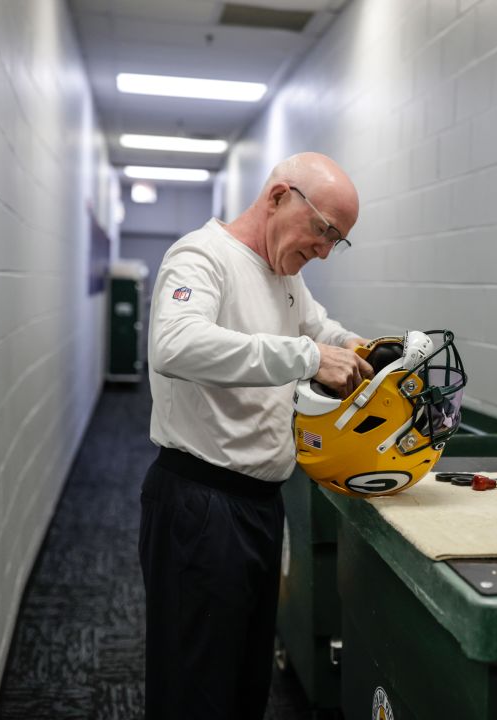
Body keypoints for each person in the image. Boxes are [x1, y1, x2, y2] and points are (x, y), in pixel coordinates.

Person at [139, 152, 374, 719]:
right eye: (323, 231)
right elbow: (175, 346)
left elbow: (322, 330)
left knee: (243, 683)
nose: (322, 250)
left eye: (335, 241)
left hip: (257, 506)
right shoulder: (203, 257)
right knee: (196, 689)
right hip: (201, 505)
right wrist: (307, 357)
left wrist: (372, 350)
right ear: (277, 197)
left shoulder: (284, 275)